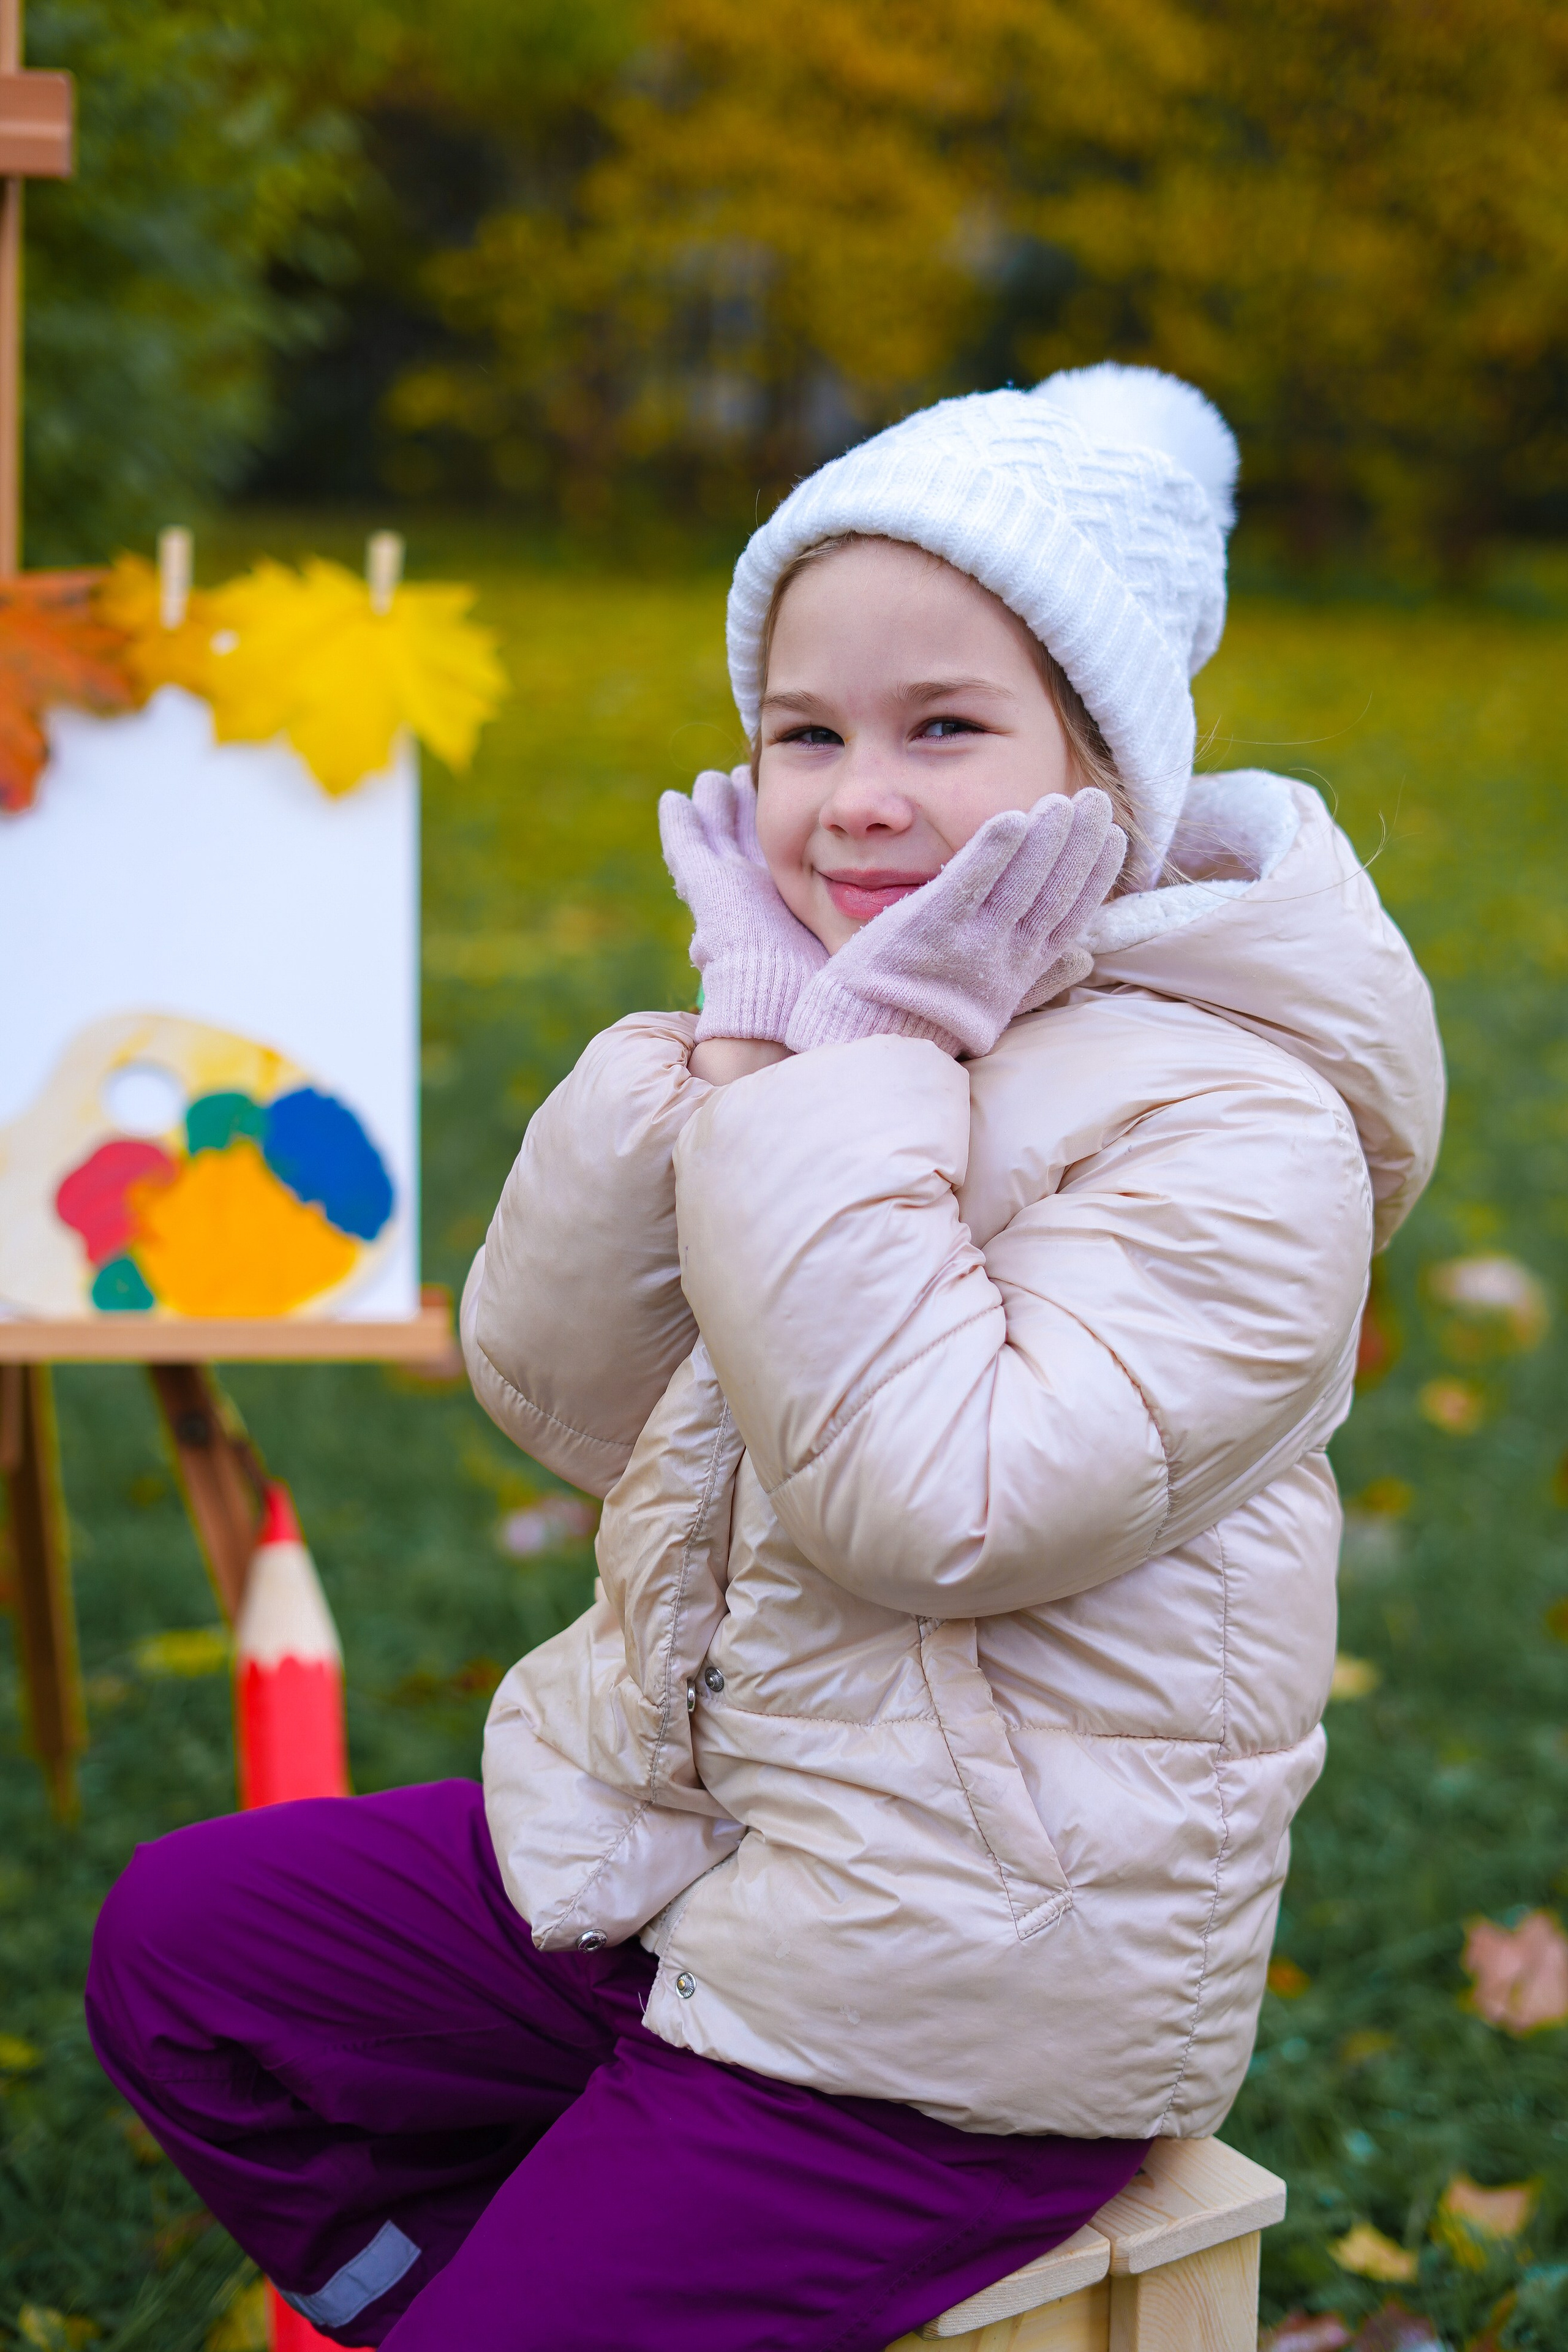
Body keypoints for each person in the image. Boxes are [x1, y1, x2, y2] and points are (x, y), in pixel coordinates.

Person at [86, 365, 1444, 2351]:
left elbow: (940, 1506)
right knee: (189, 1957)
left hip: (955, 2007)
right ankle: (458, 2297)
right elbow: (567, 1401)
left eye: (944, 728)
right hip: (666, 1859)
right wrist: (726, 1056)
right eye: (805, 733)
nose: (857, 794)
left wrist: (840, 1074)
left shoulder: (1240, 1125)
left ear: (1111, 773)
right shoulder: (825, 1023)